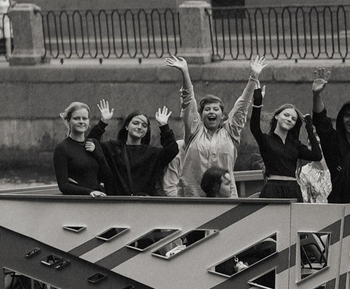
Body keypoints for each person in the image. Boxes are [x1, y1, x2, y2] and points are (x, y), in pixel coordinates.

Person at [165, 56, 262, 197]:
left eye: (216, 109)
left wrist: (253, 78)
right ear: (201, 115)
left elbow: (242, 107)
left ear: (223, 116)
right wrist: (185, 72)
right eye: (207, 109)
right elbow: (188, 101)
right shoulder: (194, 131)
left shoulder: (230, 132)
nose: (211, 111)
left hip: (225, 198)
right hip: (194, 197)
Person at [247, 83, 322, 200]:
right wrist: (257, 101)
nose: (289, 120)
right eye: (286, 115)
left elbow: (317, 155)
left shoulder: (295, 145)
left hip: (293, 189)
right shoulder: (266, 140)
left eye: (293, 119)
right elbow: (254, 127)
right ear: (277, 116)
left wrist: (310, 130)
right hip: (273, 189)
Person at [97, 104, 179, 197]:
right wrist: (103, 122)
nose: (140, 127)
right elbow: (92, 145)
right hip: (117, 204)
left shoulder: (152, 153)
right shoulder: (112, 148)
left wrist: (164, 126)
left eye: (144, 125)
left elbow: (172, 150)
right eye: (135, 123)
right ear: (127, 126)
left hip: (143, 205)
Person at [53, 102, 111, 196]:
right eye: (76, 118)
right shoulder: (62, 148)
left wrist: (97, 154)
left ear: (88, 121)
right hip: (78, 202)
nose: (81, 121)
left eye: (84, 118)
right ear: (68, 121)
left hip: (99, 198)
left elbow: (108, 177)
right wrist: (90, 192)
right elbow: (63, 186)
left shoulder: (93, 143)